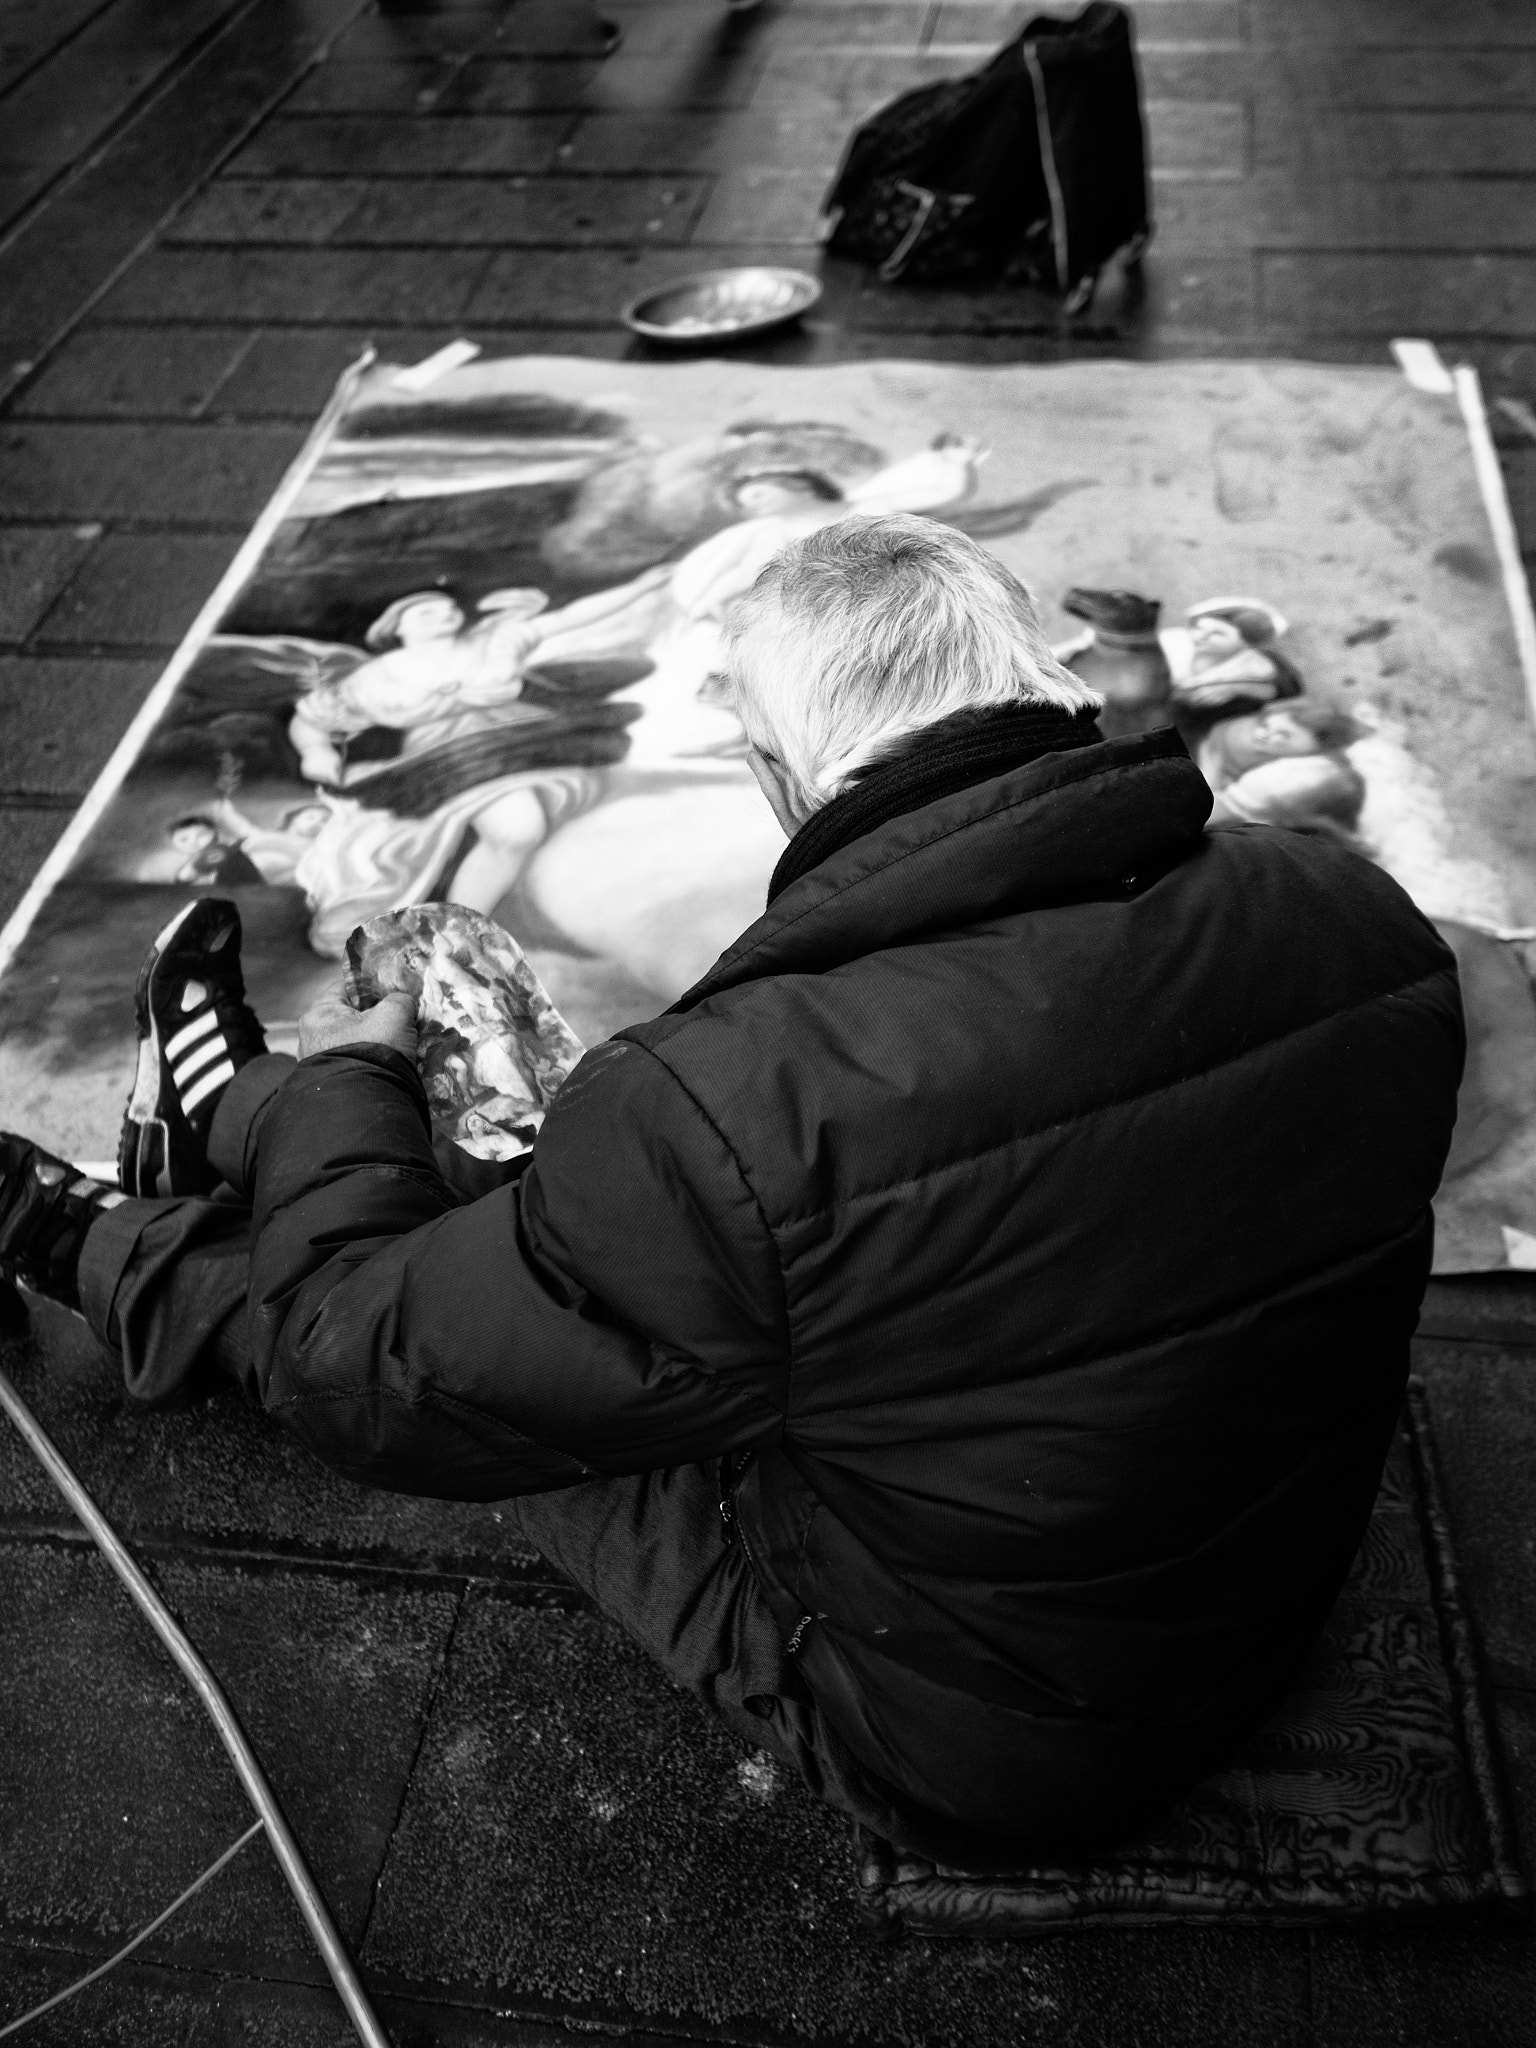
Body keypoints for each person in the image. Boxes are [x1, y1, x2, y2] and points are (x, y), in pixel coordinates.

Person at [0, 515, 1463, 1869]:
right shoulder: (1353, 912)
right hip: (1249, 1594)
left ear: (780, 774)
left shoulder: (741, 1099)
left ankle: (92, 1232)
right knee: (588, 1254)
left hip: (977, 1740)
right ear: (1044, 693)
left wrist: (357, 1078)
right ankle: (222, 1111)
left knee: (462, 1306)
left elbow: (363, 1371)